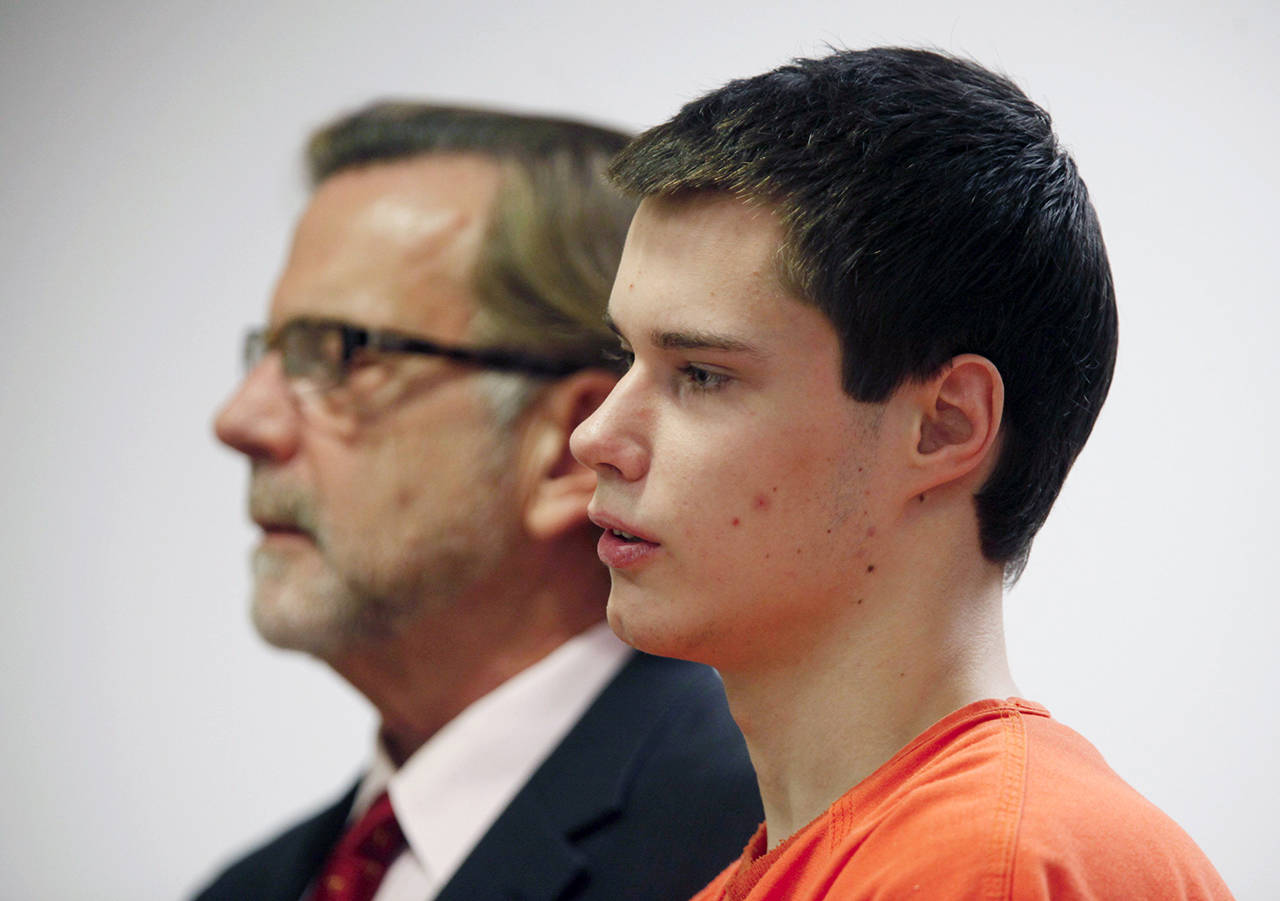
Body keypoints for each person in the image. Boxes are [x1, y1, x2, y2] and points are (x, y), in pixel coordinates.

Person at [570, 47, 1234, 900]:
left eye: (700, 373)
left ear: (945, 425)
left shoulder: (990, 868)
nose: (597, 435)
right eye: (624, 355)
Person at [196, 102, 761, 901]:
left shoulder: (765, 855)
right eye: (273, 350)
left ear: (572, 444)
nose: (240, 419)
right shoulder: (247, 889)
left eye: (339, 354)